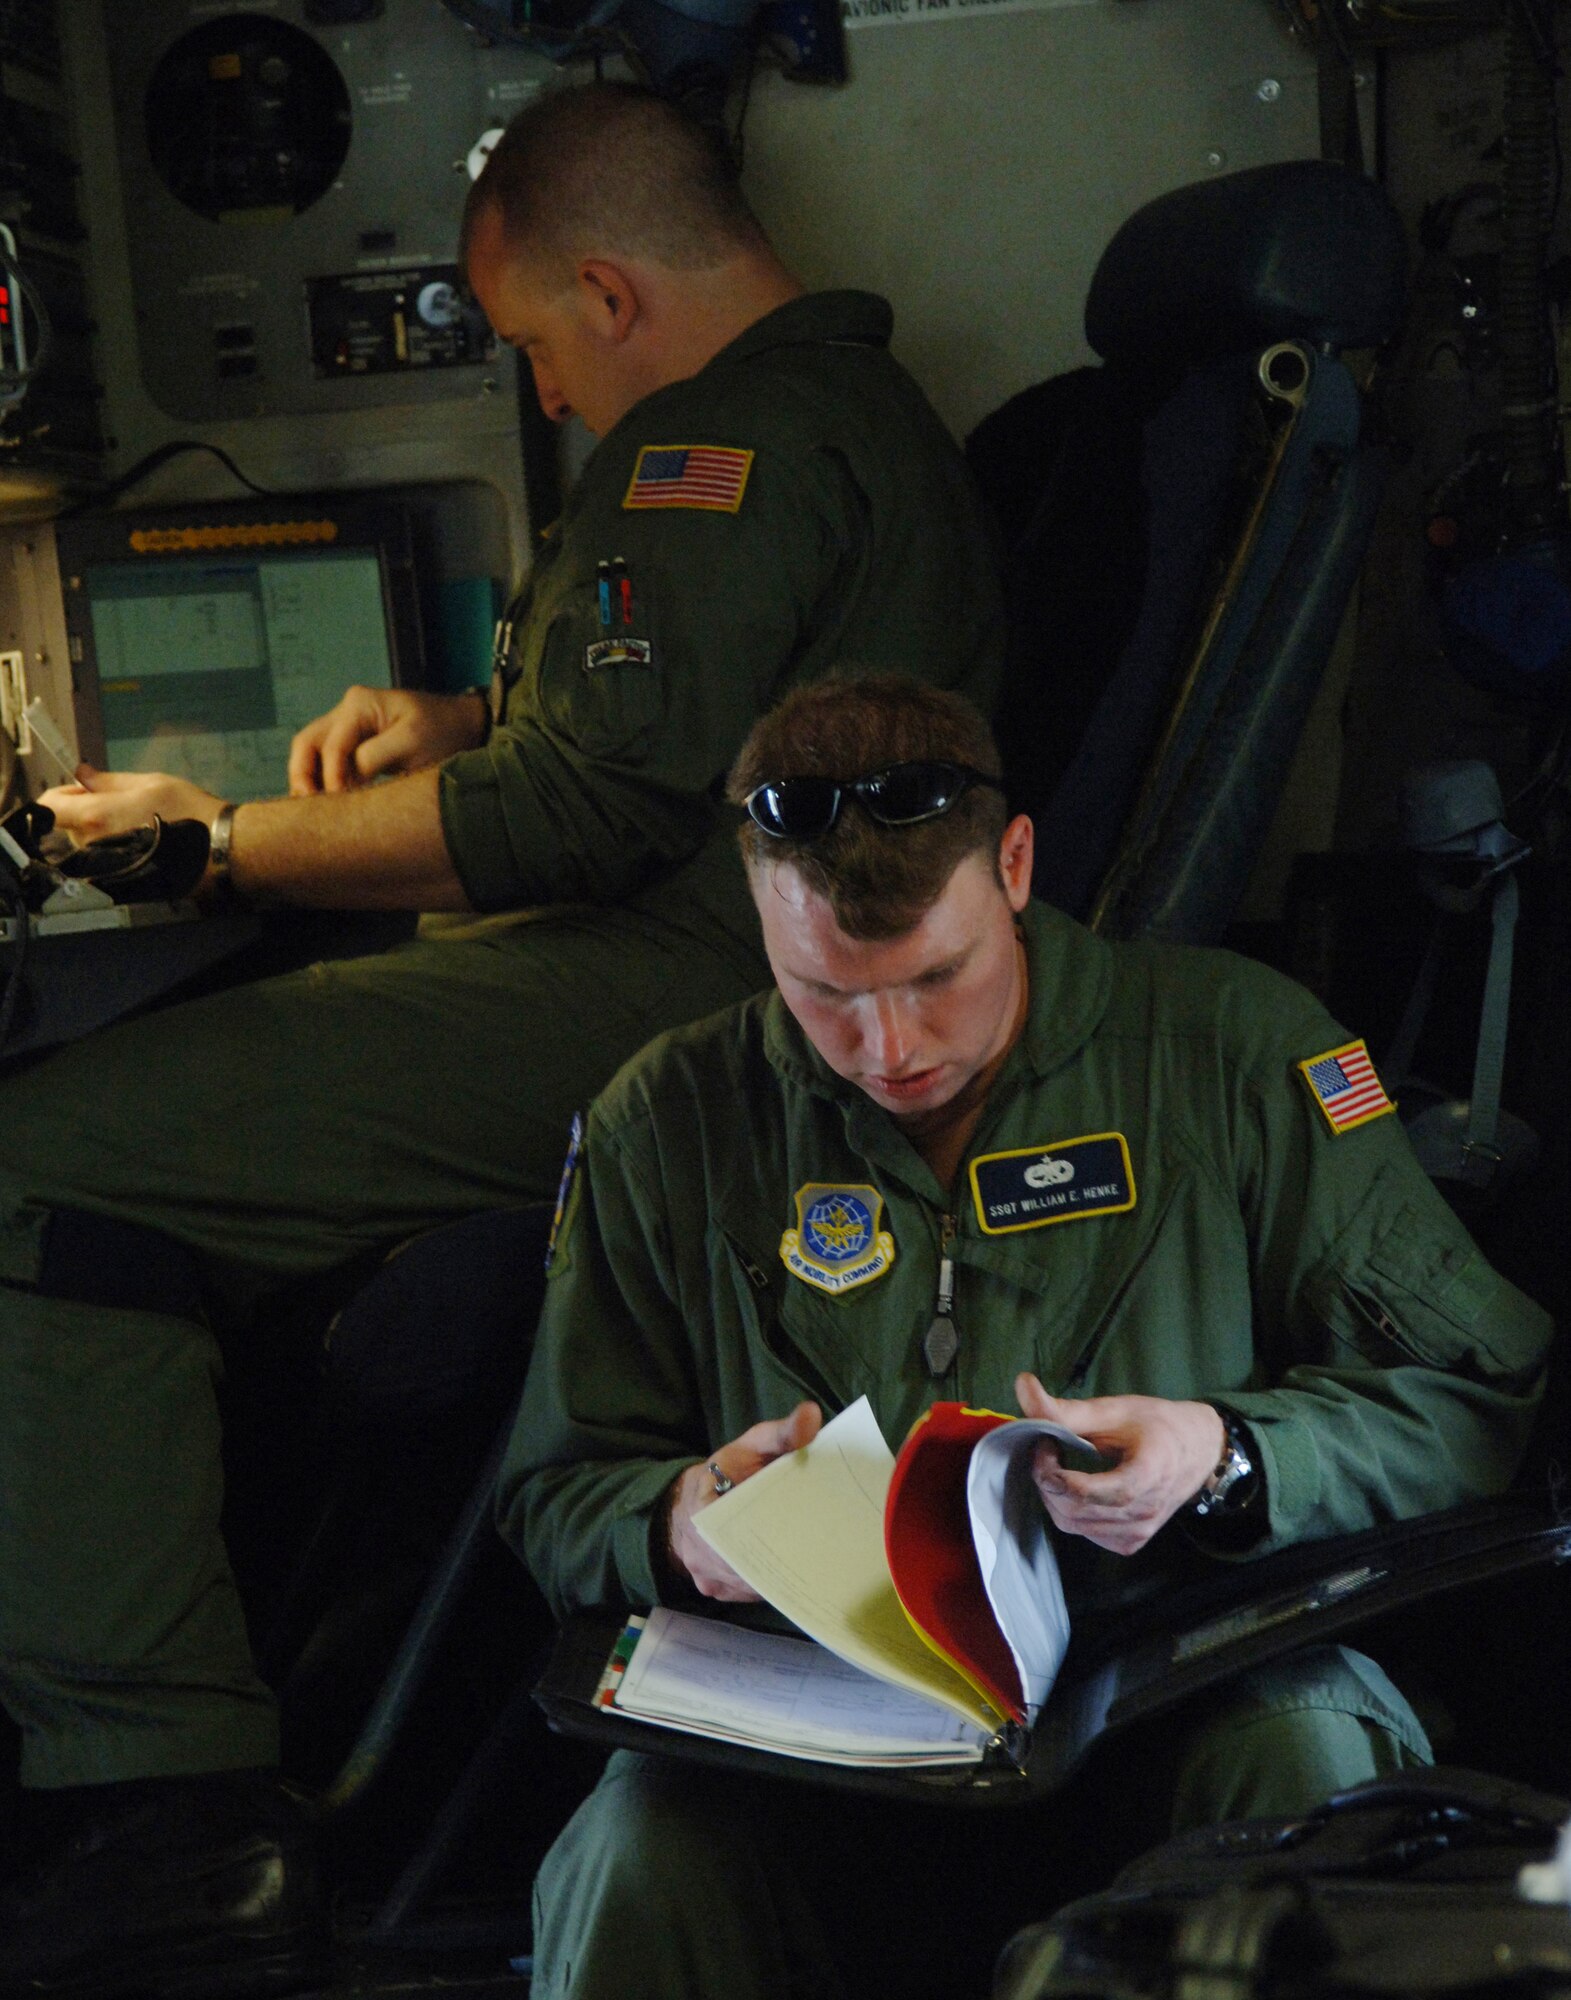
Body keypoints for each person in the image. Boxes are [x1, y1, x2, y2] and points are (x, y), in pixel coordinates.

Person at [0, 85, 1004, 1994]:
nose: (547, 397)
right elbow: (699, 722)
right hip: (750, 965)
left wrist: (206, 848)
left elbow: (583, 823)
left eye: (541, 346)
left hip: (686, 995)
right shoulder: (844, 424)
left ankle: (167, 1819)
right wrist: (468, 721)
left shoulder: (723, 446)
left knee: (35, 1159)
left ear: (610, 292)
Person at [500, 676, 1554, 2000]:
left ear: (1014, 866)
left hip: (1180, 1708)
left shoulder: (1233, 1058)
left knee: (1310, 1756)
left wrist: (1229, 1457)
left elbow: (1476, 1394)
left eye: (937, 978)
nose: (888, 1050)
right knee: (635, 1842)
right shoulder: (667, 1125)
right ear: (754, 906)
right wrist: (678, 1525)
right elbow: (551, 1485)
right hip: (816, 1758)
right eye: (822, 990)